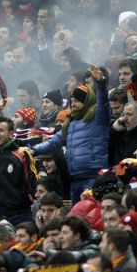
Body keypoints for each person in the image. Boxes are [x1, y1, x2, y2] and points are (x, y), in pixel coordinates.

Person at [32, 65, 110, 202]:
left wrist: (101, 83)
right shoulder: (70, 123)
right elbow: (54, 142)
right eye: (71, 101)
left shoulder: (98, 118)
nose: (72, 105)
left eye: (77, 101)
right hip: (74, 179)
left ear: (87, 101)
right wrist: (32, 150)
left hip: (93, 177)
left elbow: (103, 103)